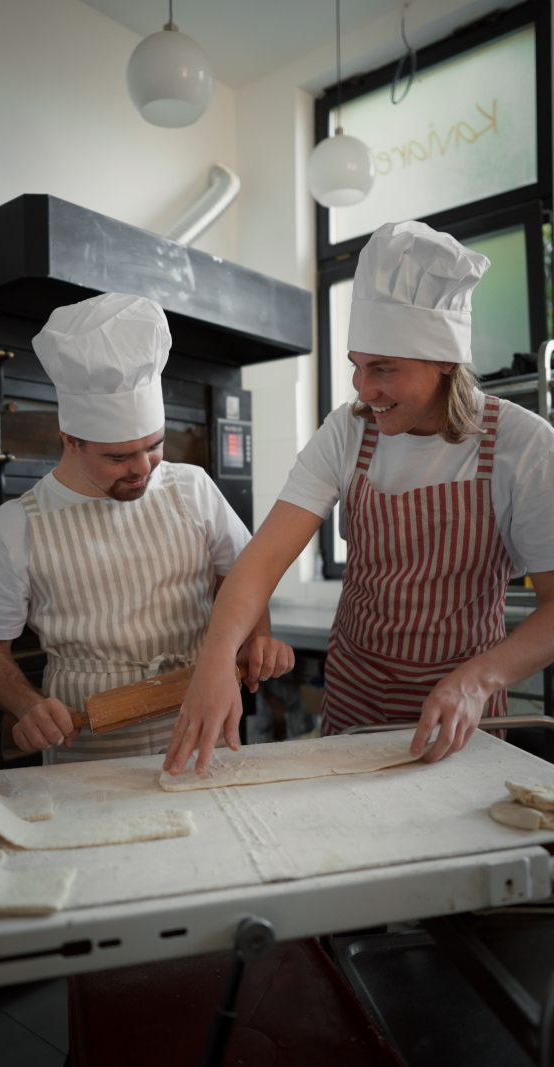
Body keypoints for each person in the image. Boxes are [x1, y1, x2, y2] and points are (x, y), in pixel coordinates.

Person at [163, 220, 554, 776]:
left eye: (384, 370)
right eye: (357, 366)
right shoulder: (349, 432)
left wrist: (478, 680)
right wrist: (216, 661)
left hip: (459, 712)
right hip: (354, 703)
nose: (363, 391)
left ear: (446, 360)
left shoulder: (523, 446)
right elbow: (265, 558)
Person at [0, 292, 293, 764]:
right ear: (70, 440)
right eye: (118, 456)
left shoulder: (191, 488)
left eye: (154, 446)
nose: (143, 468)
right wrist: (28, 704)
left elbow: (243, 576)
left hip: (202, 724)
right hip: (92, 748)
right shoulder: (15, 526)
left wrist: (257, 636)